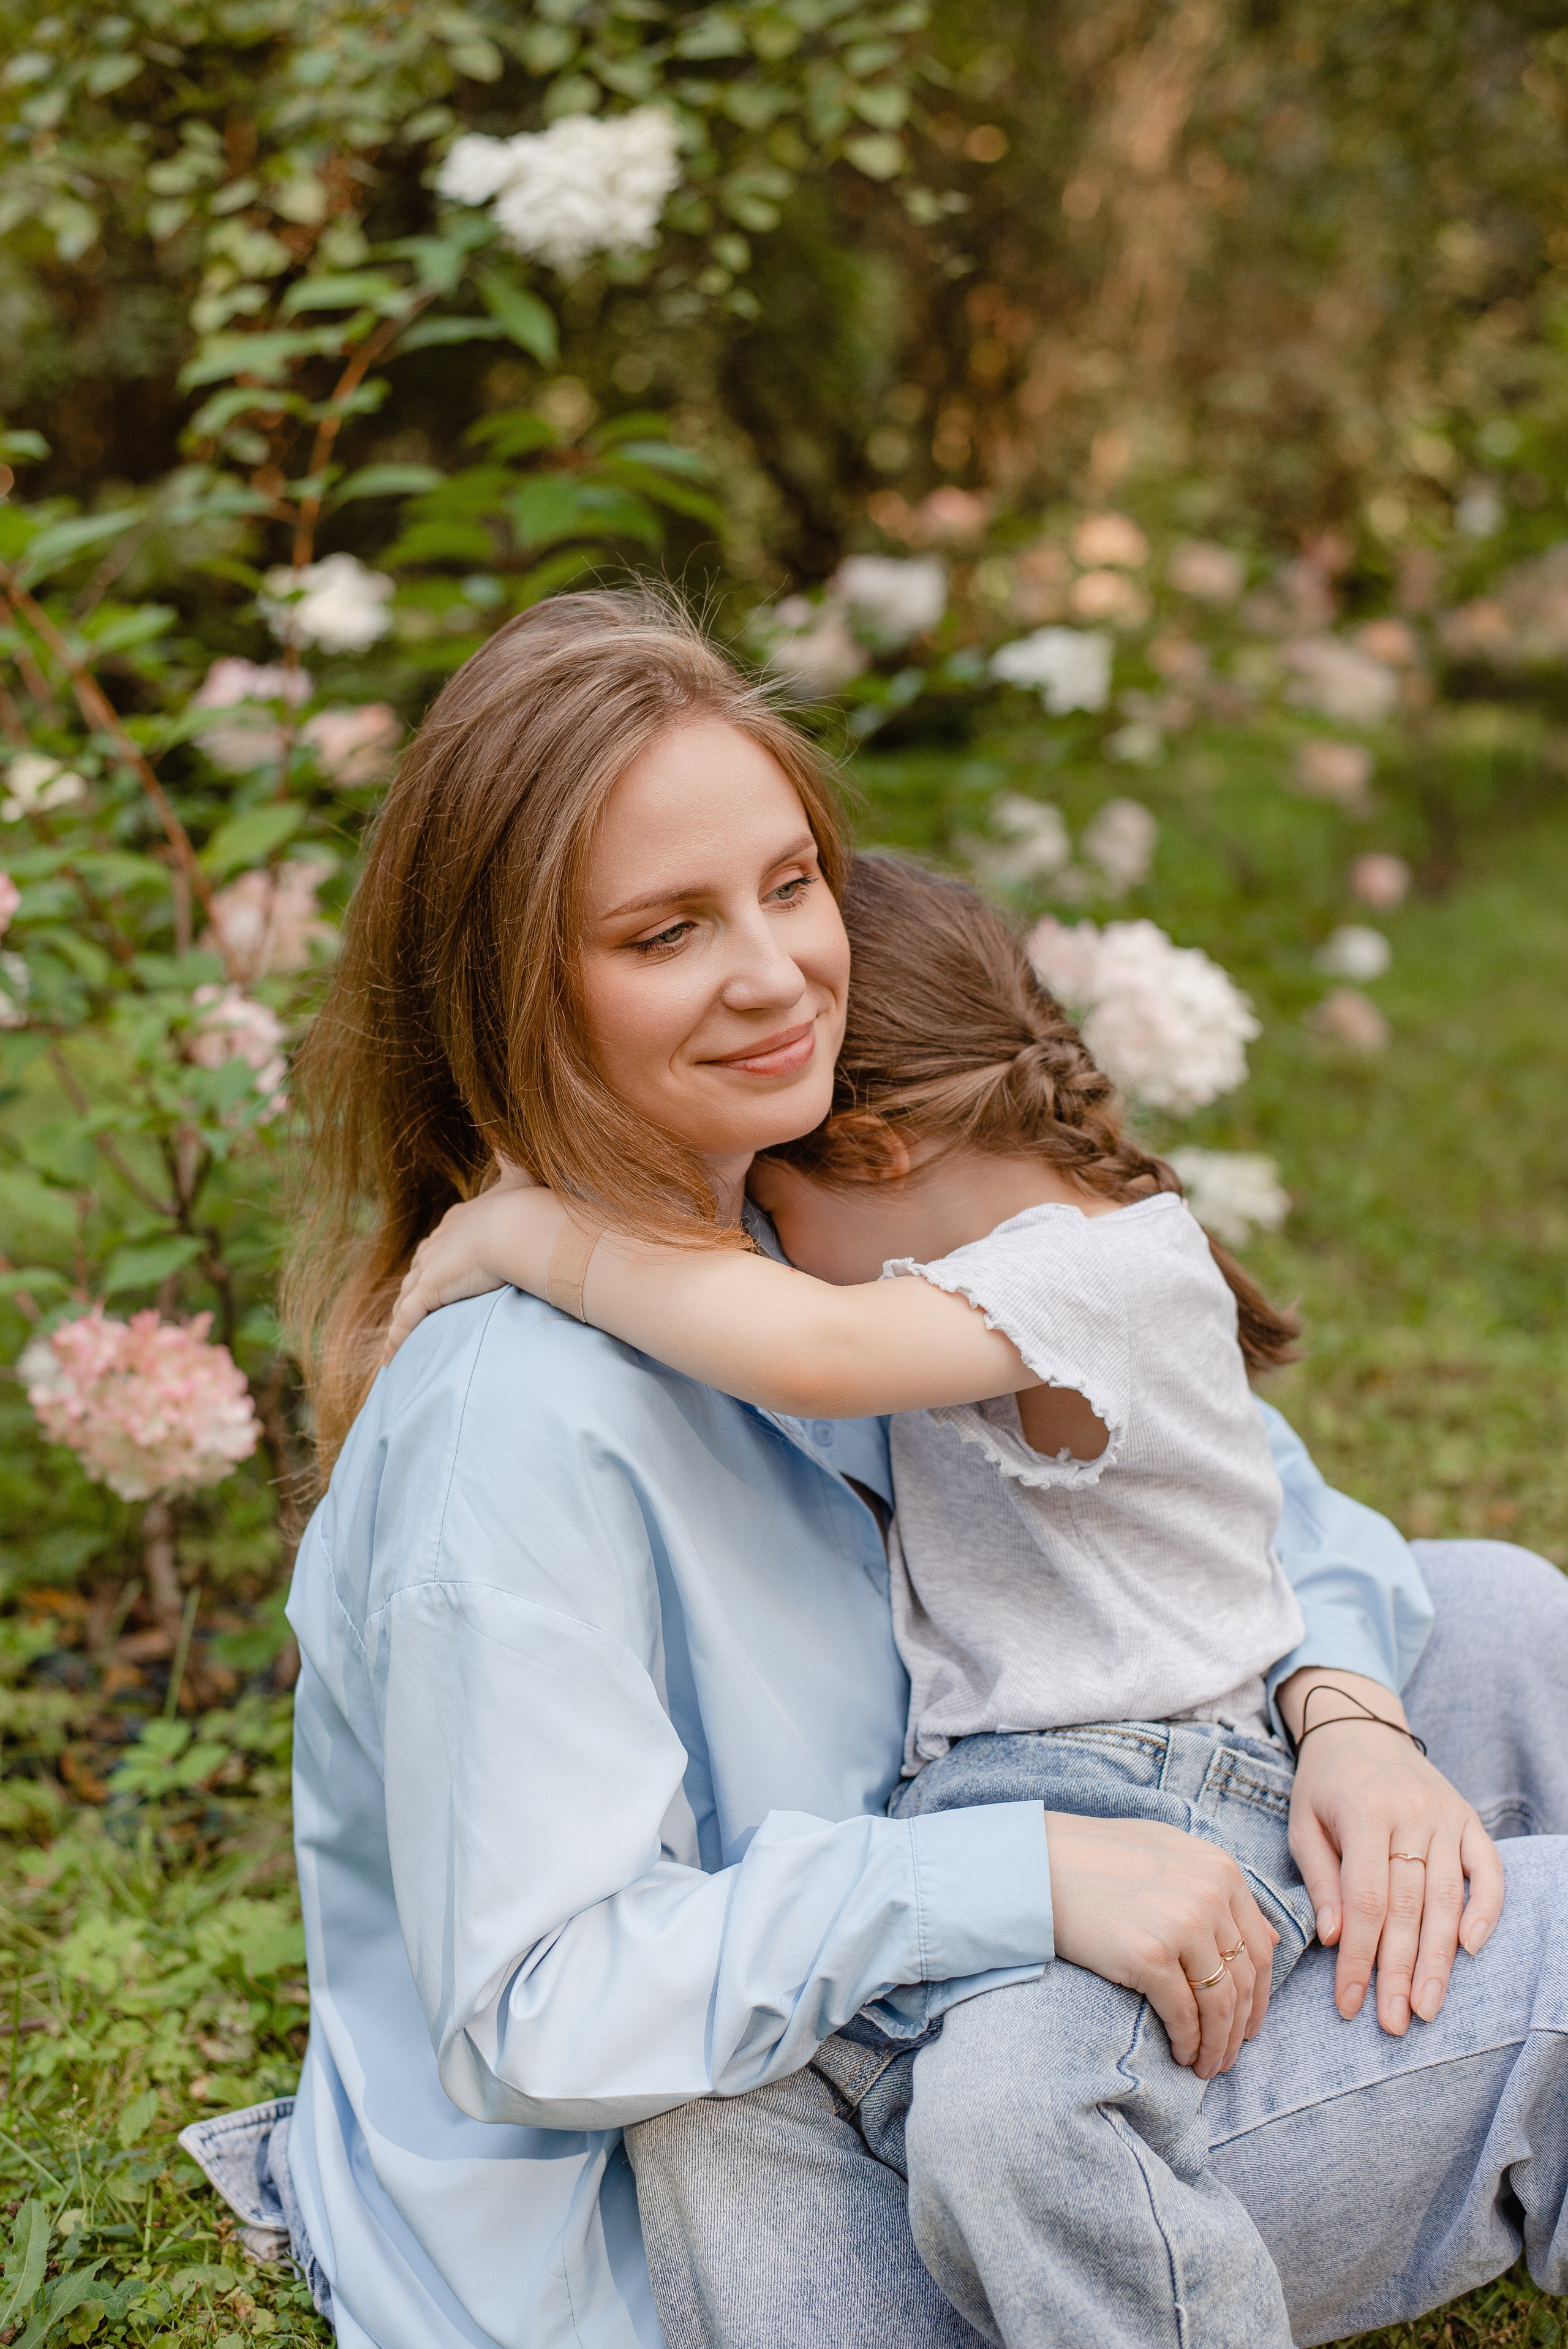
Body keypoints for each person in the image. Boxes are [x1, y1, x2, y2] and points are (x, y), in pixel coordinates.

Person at [180, 590, 1568, 2349]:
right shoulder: (511, 1422)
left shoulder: (785, 1207)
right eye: (666, 929)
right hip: (771, 2191)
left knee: (1504, 1617)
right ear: (516, 992)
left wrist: (1346, 1711)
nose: (775, 972)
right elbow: (537, 2008)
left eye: (790, 883)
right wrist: (1029, 1875)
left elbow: (1252, 1497)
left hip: (980, 1898)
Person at [380, 849, 1502, 2349]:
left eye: (772, 1204)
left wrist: (529, 1235)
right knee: (810, 2106)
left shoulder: (1068, 1280)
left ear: (887, 1148)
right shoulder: (992, 1276)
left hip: (1155, 1785)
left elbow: (811, 1356)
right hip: (976, 1815)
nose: (752, 1252)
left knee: (1014, 2117)